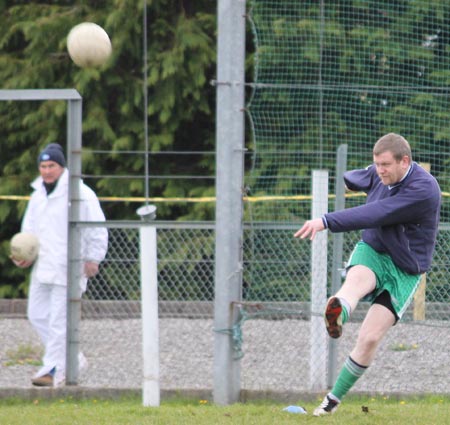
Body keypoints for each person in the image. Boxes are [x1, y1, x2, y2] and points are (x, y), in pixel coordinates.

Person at [294, 133, 441, 416]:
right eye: (376, 164)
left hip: (404, 268)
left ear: (405, 161)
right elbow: (356, 178)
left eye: (386, 164)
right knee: (357, 282)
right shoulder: (378, 173)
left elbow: (377, 211)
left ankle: (331, 402)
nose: (380, 170)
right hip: (374, 248)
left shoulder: (423, 189)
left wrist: (326, 220)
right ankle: (338, 311)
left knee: (370, 338)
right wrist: (358, 179)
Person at [11, 143, 108, 387]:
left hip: (69, 266)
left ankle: (53, 370)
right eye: (43, 166)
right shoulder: (37, 195)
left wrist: (94, 258)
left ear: (62, 166)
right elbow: (29, 230)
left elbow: (96, 227)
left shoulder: (80, 193)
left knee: (58, 321)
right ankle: (73, 359)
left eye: (51, 165)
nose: (46, 171)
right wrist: (24, 254)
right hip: (43, 267)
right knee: (36, 314)